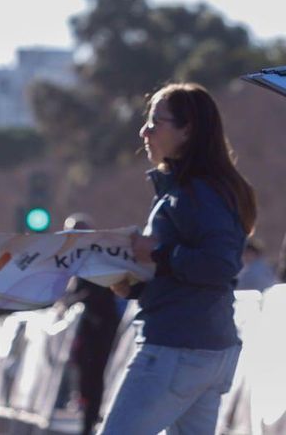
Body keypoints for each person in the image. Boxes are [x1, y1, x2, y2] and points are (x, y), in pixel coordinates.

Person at [99, 82, 257, 435]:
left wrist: (156, 252)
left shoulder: (195, 190)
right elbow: (201, 270)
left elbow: (219, 266)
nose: (144, 131)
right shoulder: (208, 188)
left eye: (156, 122)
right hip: (207, 348)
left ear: (188, 130)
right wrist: (137, 286)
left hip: (176, 348)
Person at [60, 212, 120, 435]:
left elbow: (96, 292)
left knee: (95, 374)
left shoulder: (99, 255)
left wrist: (72, 301)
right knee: (83, 374)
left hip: (101, 325)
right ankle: (87, 417)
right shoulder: (74, 257)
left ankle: (91, 421)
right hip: (86, 326)